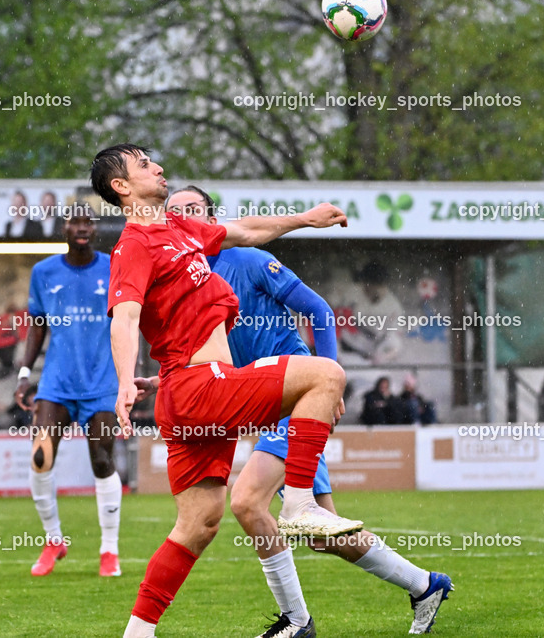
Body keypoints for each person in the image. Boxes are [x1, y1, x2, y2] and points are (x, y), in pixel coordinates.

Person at [90, 143, 362, 638]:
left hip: (187, 394)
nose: (158, 166)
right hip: (200, 388)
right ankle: (301, 503)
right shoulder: (132, 246)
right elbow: (124, 318)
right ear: (122, 188)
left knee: (198, 524)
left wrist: (306, 217)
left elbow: (248, 230)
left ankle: (137, 633)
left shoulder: (180, 229)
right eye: (144, 164)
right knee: (326, 374)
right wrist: (124, 380)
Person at [168, 186, 453, 636]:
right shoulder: (185, 278)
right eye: (174, 212)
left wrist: (328, 380)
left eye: (193, 209)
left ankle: (296, 623)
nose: (182, 216)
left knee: (246, 502)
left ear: (211, 219)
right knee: (321, 535)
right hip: (265, 403)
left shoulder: (246, 259)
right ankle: (425, 585)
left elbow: (319, 311)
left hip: (297, 398)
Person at [14, 208, 124, 577]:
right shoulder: (44, 272)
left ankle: (109, 550)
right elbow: (37, 327)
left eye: (88, 223)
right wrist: (25, 373)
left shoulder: (114, 267)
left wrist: (129, 378)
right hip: (57, 383)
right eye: (75, 222)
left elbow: (130, 322)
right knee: (40, 458)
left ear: (95, 229)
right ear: (63, 228)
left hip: (102, 382)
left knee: (102, 462)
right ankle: (54, 539)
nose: (81, 228)